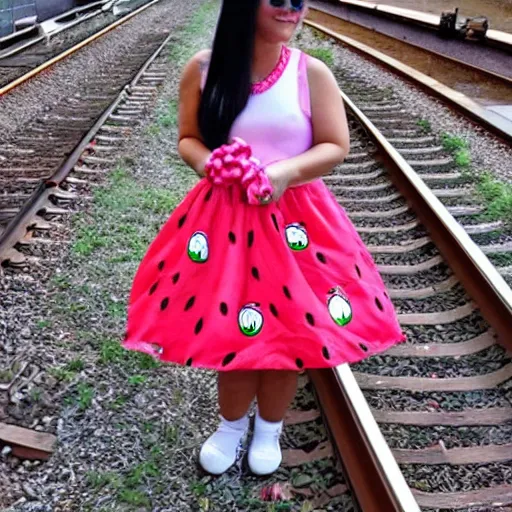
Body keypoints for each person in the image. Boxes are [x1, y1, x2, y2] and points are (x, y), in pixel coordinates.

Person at [123, 0, 405, 477]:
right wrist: (209, 164)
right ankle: (230, 427)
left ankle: (269, 428)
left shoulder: (310, 73)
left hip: (298, 223)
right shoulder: (203, 68)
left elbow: (335, 145)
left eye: (300, 1)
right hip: (224, 220)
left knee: (290, 331)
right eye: (280, 0)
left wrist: (284, 172)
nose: (293, 10)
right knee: (232, 325)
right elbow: (189, 137)